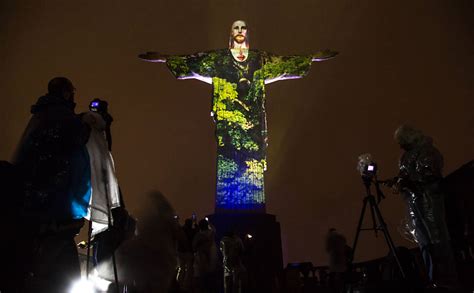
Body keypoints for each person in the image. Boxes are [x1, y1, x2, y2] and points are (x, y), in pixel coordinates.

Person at [139, 20, 338, 212]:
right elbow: (193, 62)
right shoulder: (218, 60)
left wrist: (311, 57)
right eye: (236, 27)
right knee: (229, 172)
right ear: (231, 33)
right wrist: (165, 57)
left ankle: (252, 206)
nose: (240, 30)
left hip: (253, 127)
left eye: (243, 27)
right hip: (228, 127)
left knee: (252, 172)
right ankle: (229, 205)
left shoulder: (259, 59)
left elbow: (283, 64)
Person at [12, 77, 91, 292]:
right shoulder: (62, 117)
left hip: (39, 205)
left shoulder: (41, 115)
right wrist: (87, 123)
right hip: (55, 208)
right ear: (66, 93)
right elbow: (74, 140)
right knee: (56, 272)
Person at [391, 125, 458, 289]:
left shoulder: (428, 152)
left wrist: (408, 182)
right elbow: (405, 175)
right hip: (416, 205)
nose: (400, 146)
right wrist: (399, 182)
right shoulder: (406, 156)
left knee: (438, 240)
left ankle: (447, 280)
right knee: (425, 243)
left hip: (429, 203)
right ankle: (434, 279)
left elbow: (430, 176)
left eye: (402, 142)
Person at [193, 218, 219, 293]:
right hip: (212, 256)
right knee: (211, 278)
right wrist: (209, 221)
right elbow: (214, 228)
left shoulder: (198, 235)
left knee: (202, 279)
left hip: (202, 258)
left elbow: (194, 246)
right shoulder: (211, 233)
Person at [325, 228, 351, 292]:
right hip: (342, 268)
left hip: (336, 268)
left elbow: (328, 248)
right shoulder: (342, 241)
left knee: (335, 286)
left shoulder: (332, 241)